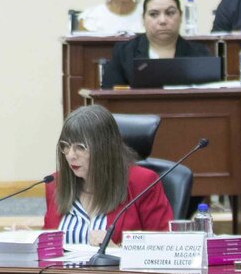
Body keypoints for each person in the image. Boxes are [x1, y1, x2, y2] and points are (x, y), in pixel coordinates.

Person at [43, 104, 172, 245]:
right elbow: (49, 245)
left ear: (104, 148)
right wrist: (33, 242)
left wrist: (115, 250)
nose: (70, 155)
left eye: (80, 147)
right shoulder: (56, 183)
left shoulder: (142, 183)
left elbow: (163, 246)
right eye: (66, 146)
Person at [105, 0, 213, 86]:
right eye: (154, 14)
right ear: (143, 19)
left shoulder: (199, 54)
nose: (162, 21)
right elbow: (111, 95)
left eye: (170, 13)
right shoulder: (124, 53)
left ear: (180, 16)